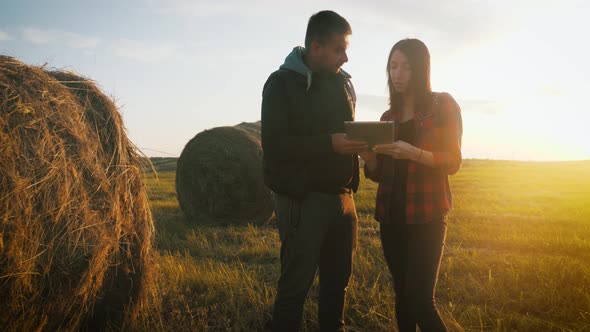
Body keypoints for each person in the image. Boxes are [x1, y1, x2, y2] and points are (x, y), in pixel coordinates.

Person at [260, 10, 368, 332]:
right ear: (315, 47)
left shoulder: (342, 84)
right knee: (295, 288)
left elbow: (342, 133)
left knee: (337, 287)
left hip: (344, 200)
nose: (345, 58)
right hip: (302, 201)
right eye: (339, 49)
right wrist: (329, 144)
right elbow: (276, 145)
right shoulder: (280, 84)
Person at [359, 38, 463, 332]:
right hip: (391, 217)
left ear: (421, 70)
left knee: (420, 299)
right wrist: (369, 157)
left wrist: (414, 153)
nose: (398, 73)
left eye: (406, 66)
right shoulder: (387, 118)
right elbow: (380, 173)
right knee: (403, 296)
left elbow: (453, 160)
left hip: (427, 215)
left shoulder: (441, 104)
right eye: (393, 66)